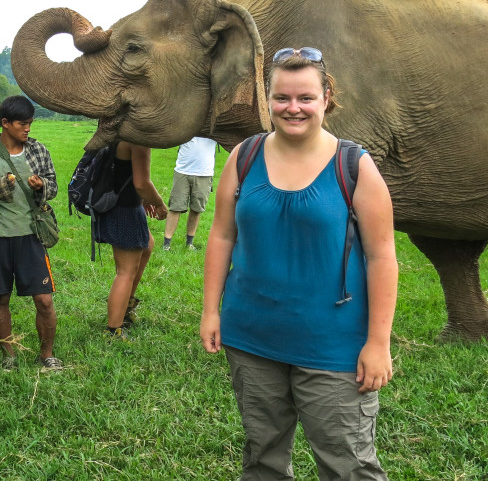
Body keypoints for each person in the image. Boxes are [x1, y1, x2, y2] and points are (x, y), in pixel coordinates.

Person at [199, 46, 398, 480]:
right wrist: (211, 310)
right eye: (282, 97)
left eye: (305, 97)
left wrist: (378, 343)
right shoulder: (244, 156)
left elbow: (383, 257)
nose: (293, 108)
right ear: (266, 99)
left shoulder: (354, 166)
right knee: (263, 457)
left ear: (327, 97)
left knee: (347, 465)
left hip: (334, 346)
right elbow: (222, 235)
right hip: (252, 337)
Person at [0, 95, 62, 371]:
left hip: (32, 237)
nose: (28, 128)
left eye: (30, 123)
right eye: (22, 123)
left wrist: (41, 185)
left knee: (43, 300)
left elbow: (53, 186)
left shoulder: (38, 151)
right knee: (1, 299)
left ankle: (47, 354)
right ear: (5, 123)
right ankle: (10, 355)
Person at [94, 141, 168, 339]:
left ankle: (126, 305)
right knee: (126, 271)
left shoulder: (116, 131)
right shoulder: (138, 139)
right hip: (124, 210)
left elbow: (122, 171)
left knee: (147, 245)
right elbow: (142, 183)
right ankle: (114, 330)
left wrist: (142, 200)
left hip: (118, 205)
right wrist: (159, 204)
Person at [163, 136, 217, 251]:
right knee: (175, 207)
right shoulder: (187, 120)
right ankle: (166, 244)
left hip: (204, 172)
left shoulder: (215, 124)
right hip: (182, 171)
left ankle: (189, 243)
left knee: (196, 209)